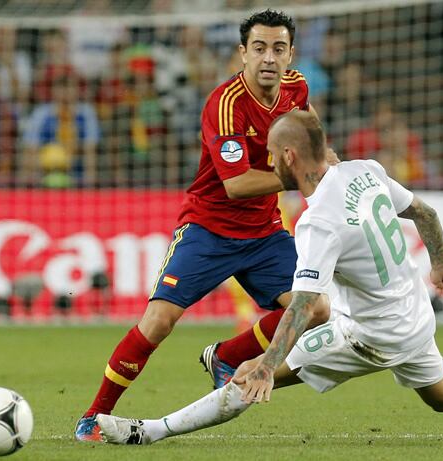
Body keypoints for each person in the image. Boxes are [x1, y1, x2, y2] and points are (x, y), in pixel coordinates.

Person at [95, 111, 443, 447]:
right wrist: (439, 262)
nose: (268, 163)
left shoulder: (318, 220)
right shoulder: (365, 171)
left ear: (288, 156)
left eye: (272, 156)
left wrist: (267, 363)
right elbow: (425, 213)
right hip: (414, 316)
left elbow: (302, 304)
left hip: (368, 334)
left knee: (252, 378)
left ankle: (148, 431)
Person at [74, 10, 333, 441]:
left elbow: (313, 134)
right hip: (208, 229)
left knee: (317, 308)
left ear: (290, 54)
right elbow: (236, 184)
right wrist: (302, 176)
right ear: (242, 53)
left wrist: (325, 162)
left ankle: (227, 356)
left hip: (265, 232)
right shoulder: (225, 104)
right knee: (158, 321)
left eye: (278, 48)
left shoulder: (297, 86)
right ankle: (94, 415)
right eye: (259, 48)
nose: (269, 58)